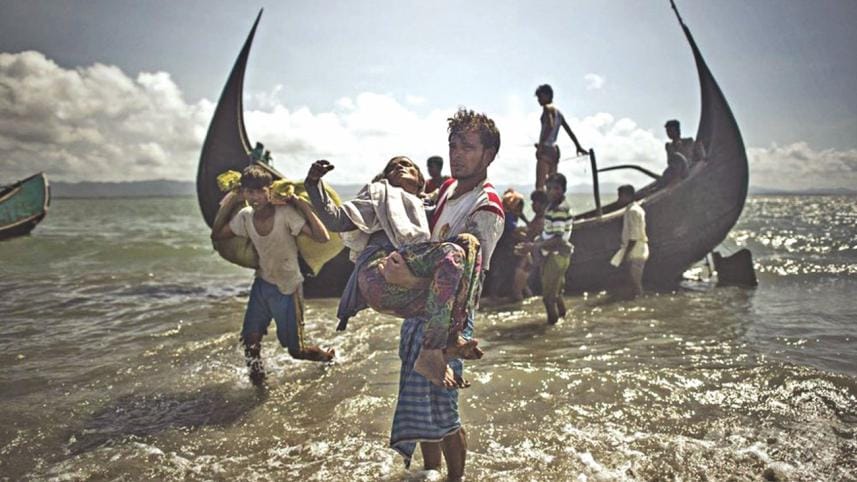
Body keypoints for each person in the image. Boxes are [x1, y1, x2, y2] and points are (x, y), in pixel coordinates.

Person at [382, 108, 505, 480]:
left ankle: (455, 478)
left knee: (446, 412)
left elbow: (468, 285)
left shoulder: (487, 209)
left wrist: (409, 283)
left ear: (488, 155)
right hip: (419, 314)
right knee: (422, 409)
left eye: (467, 147)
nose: (456, 154)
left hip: (449, 323)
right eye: (453, 145)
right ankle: (429, 472)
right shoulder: (450, 189)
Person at [304, 155, 484, 387]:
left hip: (408, 281)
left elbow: (455, 192)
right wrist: (313, 184)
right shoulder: (380, 196)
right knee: (453, 252)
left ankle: (451, 337)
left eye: (407, 164)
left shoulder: (424, 206)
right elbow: (336, 220)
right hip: (379, 271)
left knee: (469, 243)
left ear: (420, 180)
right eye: (393, 166)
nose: (399, 166)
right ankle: (431, 352)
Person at [210, 165, 334, 386]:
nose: (255, 197)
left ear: (269, 191)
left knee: (297, 351)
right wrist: (231, 200)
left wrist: (300, 204)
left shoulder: (285, 214)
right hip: (262, 284)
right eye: (249, 191)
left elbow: (322, 237)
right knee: (250, 341)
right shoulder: (245, 216)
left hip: (288, 288)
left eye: (259, 191)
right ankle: (258, 388)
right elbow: (217, 234)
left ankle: (328, 357)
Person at [520, 173, 573, 324]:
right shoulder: (552, 207)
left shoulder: (559, 210)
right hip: (555, 255)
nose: (551, 192)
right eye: (549, 188)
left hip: (556, 255)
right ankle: (563, 321)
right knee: (556, 294)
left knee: (548, 299)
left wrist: (534, 245)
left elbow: (557, 239)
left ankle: (551, 332)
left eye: (556, 188)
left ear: (563, 190)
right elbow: (548, 234)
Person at [534, 84, 588, 191]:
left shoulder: (547, 108)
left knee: (540, 185)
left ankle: (541, 206)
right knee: (552, 185)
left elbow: (550, 125)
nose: (538, 100)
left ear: (547, 95)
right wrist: (578, 146)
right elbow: (569, 131)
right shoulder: (559, 113)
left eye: (540, 96)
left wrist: (540, 145)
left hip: (545, 150)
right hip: (554, 151)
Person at [610, 184, 649, 299]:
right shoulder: (636, 209)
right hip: (639, 249)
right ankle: (636, 303)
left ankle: (640, 303)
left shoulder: (632, 211)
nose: (619, 199)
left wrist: (626, 254)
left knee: (635, 283)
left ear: (628, 196)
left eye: (620, 196)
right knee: (633, 282)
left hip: (636, 251)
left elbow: (634, 236)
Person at [661, 119, 705, 186]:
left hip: (690, 172)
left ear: (677, 130)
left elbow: (701, 159)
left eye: (670, 130)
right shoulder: (668, 146)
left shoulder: (689, 141)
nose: (668, 133)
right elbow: (670, 162)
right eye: (667, 131)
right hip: (674, 174)